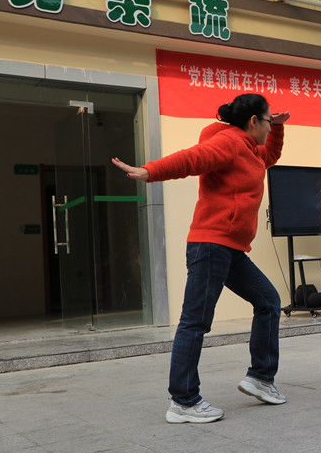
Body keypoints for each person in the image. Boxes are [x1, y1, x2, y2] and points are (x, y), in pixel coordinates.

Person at [112, 93, 290, 423]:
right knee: (195, 322)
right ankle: (183, 401)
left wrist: (278, 127)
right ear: (253, 121)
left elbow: (269, 156)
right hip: (211, 246)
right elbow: (193, 159)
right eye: (267, 122)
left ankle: (261, 378)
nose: (269, 128)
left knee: (268, 301)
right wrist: (149, 171)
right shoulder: (229, 142)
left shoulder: (251, 150)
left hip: (231, 249)